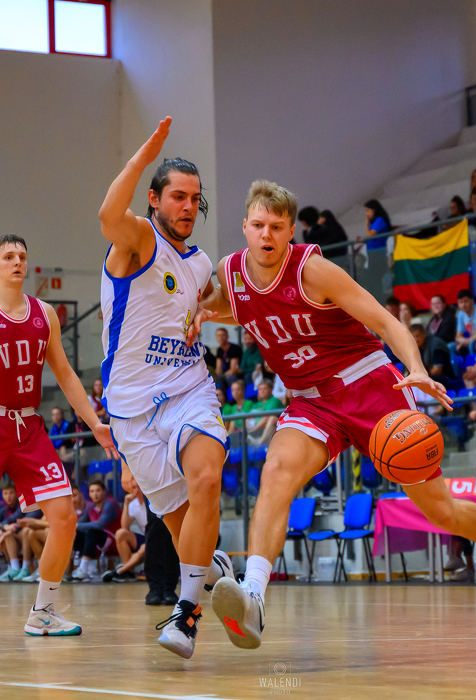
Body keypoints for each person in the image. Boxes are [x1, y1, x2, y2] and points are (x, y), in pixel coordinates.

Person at [193, 179, 476, 648]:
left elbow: (385, 321)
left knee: (440, 510)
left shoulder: (314, 271)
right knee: (275, 471)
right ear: (245, 227)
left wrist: (416, 368)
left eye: (276, 226)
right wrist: (201, 310)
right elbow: (235, 305)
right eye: (258, 225)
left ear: (291, 231)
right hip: (311, 400)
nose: (266, 234)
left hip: (370, 387)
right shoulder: (231, 272)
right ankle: (253, 595)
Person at [98, 117, 233, 659]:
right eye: (178, 196)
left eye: (194, 199)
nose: (187, 206)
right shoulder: (137, 240)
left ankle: (187, 613)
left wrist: (212, 311)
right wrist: (142, 157)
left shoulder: (200, 263)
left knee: (207, 478)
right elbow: (108, 216)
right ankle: (211, 569)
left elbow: (224, 303)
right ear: (154, 199)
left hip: (188, 388)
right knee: (181, 531)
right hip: (131, 409)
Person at [0, 233, 117, 636]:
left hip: (28, 427)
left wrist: (94, 423)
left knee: (65, 516)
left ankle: (43, 611)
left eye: (21, 256)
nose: (17, 262)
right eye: (8, 256)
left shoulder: (44, 313)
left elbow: (65, 374)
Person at [72, 481, 121, 581]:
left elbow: (100, 524)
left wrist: (76, 526)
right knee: (78, 534)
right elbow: (79, 523)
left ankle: (83, 568)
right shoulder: (90, 507)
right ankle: (89, 568)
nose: (95, 494)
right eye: (92, 491)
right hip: (98, 542)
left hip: (114, 540)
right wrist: (74, 527)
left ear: (104, 492)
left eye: (98, 491)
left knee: (92, 531)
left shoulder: (110, 504)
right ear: (89, 494)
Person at [102, 477, 146, 583]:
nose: (137, 490)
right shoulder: (133, 505)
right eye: (134, 488)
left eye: (139, 487)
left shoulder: (151, 502)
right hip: (144, 537)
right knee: (121, 533)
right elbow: (125, 527)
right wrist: (126, 504)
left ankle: (121, 570)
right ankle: (129, 571)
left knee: (144, 547)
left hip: (157, 537)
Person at [410, 324, 455, 388]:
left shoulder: (436, 344)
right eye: (413, 337)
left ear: (424, 334)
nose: (416, 339)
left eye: (417, 336)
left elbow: (437, 371)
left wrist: (419, 375)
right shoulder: (416, 348)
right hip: (427, 378)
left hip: (445, 379)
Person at [247, 379, 284, 446]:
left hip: (272, 430)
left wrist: (252, 430)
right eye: (260, 389)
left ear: (271, 389)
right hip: (257, 429)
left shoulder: (275, 401)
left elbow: (267, 417)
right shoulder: (256, 404)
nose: (262, 391)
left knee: (270, 417)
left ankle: (260, 441)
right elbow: (250, 417)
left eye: (265, 388)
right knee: (246, 419)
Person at [454, 289, 476, 355]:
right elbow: (458, 336)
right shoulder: (460, 314)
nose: (463, 305)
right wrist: (462, 341)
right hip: (469, 340)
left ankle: (472, 361)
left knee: (471, 344)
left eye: (466, 301)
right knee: (451, 346)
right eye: (460, 302)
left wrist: (467, 341)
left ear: (472, 301)